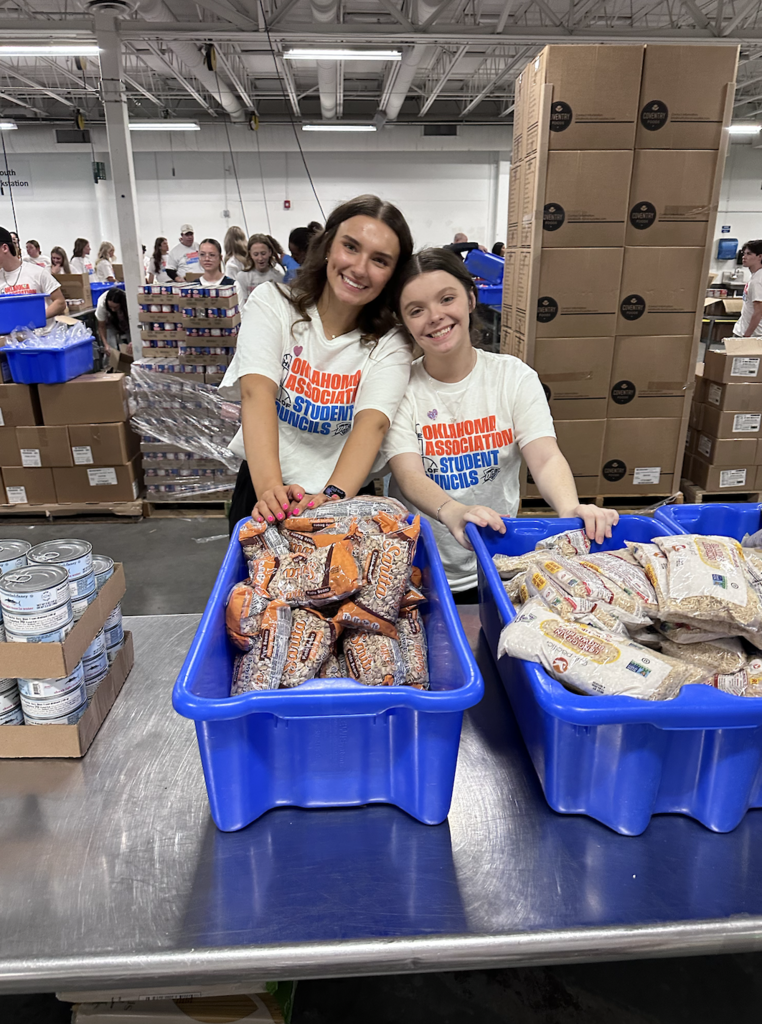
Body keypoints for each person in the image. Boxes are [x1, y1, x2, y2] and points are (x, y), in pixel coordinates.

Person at [383, 248, 618, 601]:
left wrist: (570, 510)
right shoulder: (399, 387)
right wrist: (454, 511)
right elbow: (409, 475)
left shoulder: (513, 377)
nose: (435, 317)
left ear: (471, 299)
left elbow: (545, 457)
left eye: (447, 298)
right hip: (420, 572)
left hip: (501, 563)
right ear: (403, 321)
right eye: (416, 310)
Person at [219, 194, 414, 533]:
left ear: (392, 275)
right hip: (263, 484)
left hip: (342, 495)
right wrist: (270, 492)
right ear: (327, 246)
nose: (359, 268)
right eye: (350, 247)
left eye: (380, 261)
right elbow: (256, 393)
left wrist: (331, 499)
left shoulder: (391, 344)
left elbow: (372, 424)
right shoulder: (272, 304)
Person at [0, 226, 66, 321]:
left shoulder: (37, 272)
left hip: (41, 334)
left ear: (5, 248)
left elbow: (60, 302)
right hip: (12, 335)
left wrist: (35, 319)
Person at [236, 233, 284, 308]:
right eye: (256, 254)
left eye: (263, 253)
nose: (260, 258)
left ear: (270, 252)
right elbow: (242, 305)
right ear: (250, 254)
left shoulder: (279, 277)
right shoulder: (242, 277)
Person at [733, 239, 762, 339]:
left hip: (753, 334)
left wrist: (747, 336)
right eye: (744, 253)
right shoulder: (754, 276)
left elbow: (758, 311)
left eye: (749, 254)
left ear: (760, 256)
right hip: (743, 328)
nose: (744, 257)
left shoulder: (757, 281)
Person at [95, 286, 130, 352]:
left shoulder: (128, 301)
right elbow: (101, 326)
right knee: (111, 349)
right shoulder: (102, 303)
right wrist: (106, 345)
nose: (113, 310)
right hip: (110, 322)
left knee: (132, 346)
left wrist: (134, 341)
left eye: (115, 307)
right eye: (110, 307)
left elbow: (135, 323)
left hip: (126, 321)